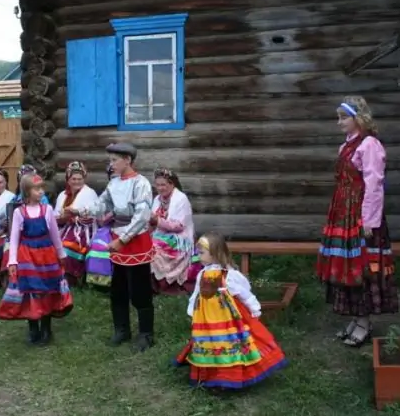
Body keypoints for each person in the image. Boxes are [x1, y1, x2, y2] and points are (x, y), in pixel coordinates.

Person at [316, 95, 398, 348]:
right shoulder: (346, 146)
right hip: (343, 211)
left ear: (358, 118)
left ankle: (364, 321)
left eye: (343, 117)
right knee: (346, 266)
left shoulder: (369, 145)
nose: (339, 122)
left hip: (360, 214)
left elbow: (374, 185)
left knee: (361, 265)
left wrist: (369, 220)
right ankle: (356, 317)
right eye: (338, 117)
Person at [66, 142, 155, 352]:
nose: (111, 164)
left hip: (135, 242)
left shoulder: (141, 183)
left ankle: (146, 334)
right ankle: (122, 329)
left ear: (128, 160)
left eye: (115, 160)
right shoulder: (114, 183)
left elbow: (142, 216)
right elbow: (102, 205)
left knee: (140, 290)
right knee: (118, 289)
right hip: (118, 241)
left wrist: (122, 240)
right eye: (110, 160)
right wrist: (79, 210)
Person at [174, 232, 287, 390]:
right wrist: (192, 311)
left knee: (227, 344)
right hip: (206, 320)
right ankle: (212, 375)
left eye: (201, 253)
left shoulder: (229, 276)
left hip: (227, 320)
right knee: (210, 344)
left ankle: (228, 377)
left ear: (215, 253)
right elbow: (196, 295)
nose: (198, 256)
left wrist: (254, 308)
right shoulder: (202, 274)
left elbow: (245, 292)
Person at [0, 174, 72, 346]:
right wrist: (12, 261)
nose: (40, 192)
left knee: (46, 290)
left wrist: (61, 254)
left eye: (41, 188)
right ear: (27, 192)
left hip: (47, 256)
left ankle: (46, 328)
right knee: (30, 290)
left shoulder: (47, 210)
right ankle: (33, 328)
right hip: (27, 256)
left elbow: (54, 234)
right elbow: (14, 238)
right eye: (36, 189)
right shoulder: (19, 212)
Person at [149, 167, 199, 295]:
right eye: (158, 185)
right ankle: (150, 285)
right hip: (160, 235)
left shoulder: (181, 199)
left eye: (163, 185)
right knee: (144, 245)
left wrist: (156, 220)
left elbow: (179, 226)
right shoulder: (157, 200)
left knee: (154, 248)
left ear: (172, 184)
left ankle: (163, 286)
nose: (160, 188)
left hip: (180, 238)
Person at [0, 165, 50, 287]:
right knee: (8, 250)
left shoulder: (42, 200)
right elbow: (9, 217)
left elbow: (46, 221)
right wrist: (5, 222)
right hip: (15, 236)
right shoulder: (14, 199)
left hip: (35, 237)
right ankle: (11, 282)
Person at [53, 161, 99, 286]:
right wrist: (63, 217)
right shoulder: (63, 195)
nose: (77, 182)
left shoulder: (90, 193)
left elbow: (93, 216)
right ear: (68, 179)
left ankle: (70, 278)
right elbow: (55, 215)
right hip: (64, 228)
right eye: (74, 179)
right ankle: (54, 277)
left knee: (66, 246)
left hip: (83, 231)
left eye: (80, 179)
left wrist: (74, 216)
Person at [85, 164, 116, 288]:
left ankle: (112, 281)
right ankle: (98, 281)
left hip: (125, 228)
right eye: (113, 177)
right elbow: (101, 220)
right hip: (107, 228)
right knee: (98, 244)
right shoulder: (106, 194)